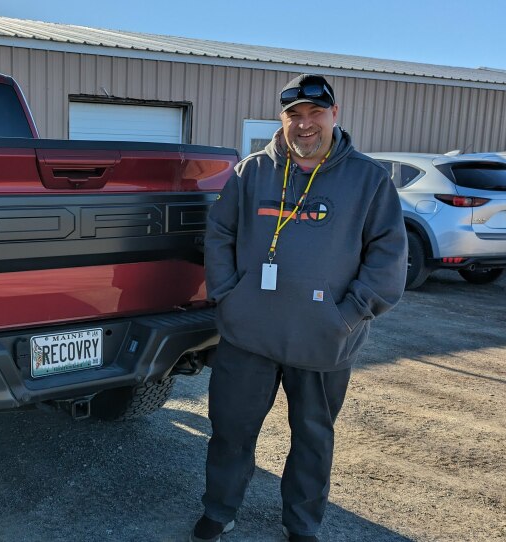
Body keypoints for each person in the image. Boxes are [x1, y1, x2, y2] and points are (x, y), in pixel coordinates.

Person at [189, 74, 407, 542]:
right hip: (249, 335)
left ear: (334, 115)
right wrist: (229, 294)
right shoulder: (252, 173)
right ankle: (220, 509)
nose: (305, 125)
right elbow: (220, 234)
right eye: (295, 115)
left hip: (324, 340)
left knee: (312, 439)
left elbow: (388, 256)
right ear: (282, 119)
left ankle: (302, 524)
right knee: (230, 430)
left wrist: (347, 315)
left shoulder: (368, 180)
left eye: (315, 114)